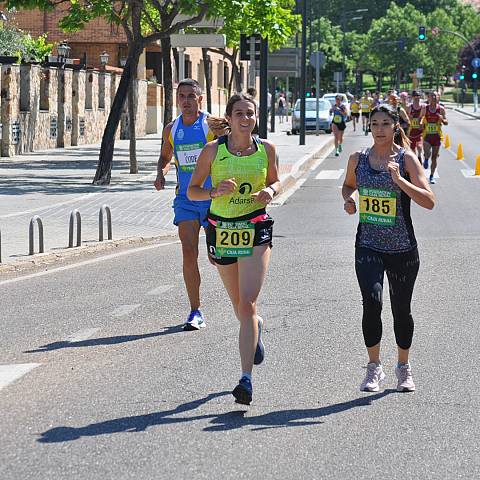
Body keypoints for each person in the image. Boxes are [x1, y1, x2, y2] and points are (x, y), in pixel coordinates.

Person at [187, 93, 280, 405]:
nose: (245, 118)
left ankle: (245, 379)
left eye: (250, 113)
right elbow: (193, 191)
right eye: (239, 113)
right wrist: (214, 190)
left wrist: (270, 190)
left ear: (256, 117)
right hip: (223, 229)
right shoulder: (213, 151)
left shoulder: (266, 149)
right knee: (240, 307)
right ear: (229, 118)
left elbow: (277, 181)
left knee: (248, 303)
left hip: (255, 226)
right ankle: (255, 328)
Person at [342, 104, 435, 393]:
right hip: (368, 245)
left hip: (402, 248)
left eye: (385, 123)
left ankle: (403, 368)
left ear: (395, 126)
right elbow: (347, 186)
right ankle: (374, 367)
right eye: (374, 123)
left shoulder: (406, 160)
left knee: (401, 310)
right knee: (372, 304)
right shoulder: (358, 158)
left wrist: (399, 181)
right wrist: (348, 200)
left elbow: (429, 201)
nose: (379, 129)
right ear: (369, 127)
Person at [154, 78, 218, 331]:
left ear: (200, 99)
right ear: (177, 99)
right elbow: (165, 156)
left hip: (214, 198)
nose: (187, 101)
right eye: (182, 96)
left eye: (192, 96)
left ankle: (242, 304)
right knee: (189, 252)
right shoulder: (172, 129)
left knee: (218, 258)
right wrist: (161, 172)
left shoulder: (212, 125)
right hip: (186, 199)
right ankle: (195, 310)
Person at [422, 91, 448, 184]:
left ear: (438, 97)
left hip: (436, 136)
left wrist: (442, 119)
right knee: (427, 153)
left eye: (435, 96)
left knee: (434, 158)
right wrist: (421, 123)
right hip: (427, 135)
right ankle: (425, 158)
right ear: (429, 98)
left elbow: (446, 122)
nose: (433, 97)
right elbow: (421, 118)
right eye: (431, 96)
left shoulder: (441, 109)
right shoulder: (425, 108)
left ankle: (432, 176)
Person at [407, 90, 426, 164]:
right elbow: (407, 117)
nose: (417, 98)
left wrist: (421, 121)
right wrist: (410, 118)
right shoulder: (409, 107)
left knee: (419, 145)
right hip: (411, 131)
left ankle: (419, 155)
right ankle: (416, 159)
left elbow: (423, 116)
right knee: (412, 148)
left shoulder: (422, 107)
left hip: (420, 130)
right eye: (415, 96)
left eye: (418, 96)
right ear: (412, 97)